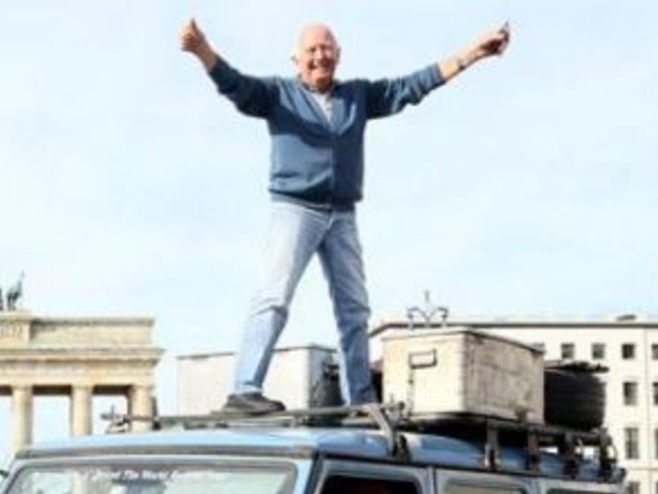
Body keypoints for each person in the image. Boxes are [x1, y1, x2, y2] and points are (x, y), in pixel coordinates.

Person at [180, 17, 510, 412]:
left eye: (327, 48)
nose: (320, 56)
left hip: (342, 215)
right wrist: (202, 50)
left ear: (338, 55)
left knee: (354, 309)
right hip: (295, 209)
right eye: (312, 50)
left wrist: (473, 53)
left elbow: (412, 87)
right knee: (274, 296)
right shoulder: (277, 95)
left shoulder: (357, 96)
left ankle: (361, 398)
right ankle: (245, 388)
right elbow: (237, 85)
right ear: (296, 59)